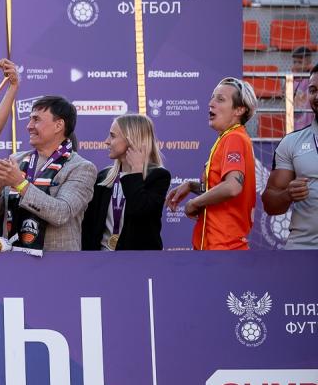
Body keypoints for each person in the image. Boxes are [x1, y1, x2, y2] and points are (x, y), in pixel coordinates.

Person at [0, 95, 96, 254]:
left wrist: (20, 184)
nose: (29, 126)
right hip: (11, 261)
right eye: (30, 119)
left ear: (58, 125)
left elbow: (61, 213)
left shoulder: (81, 167)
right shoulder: (16, 160)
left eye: (36, 119)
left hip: (56, 263)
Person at [167, 78, 257, 251]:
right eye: (212, 98)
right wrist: (191, 186)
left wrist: (194, 203)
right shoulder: (229, 137)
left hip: (224, 247)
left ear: (239, 110)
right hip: (215, 246)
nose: (211, 103)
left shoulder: (234, 137)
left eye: (220, 99)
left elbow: (232, 187)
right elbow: (220, 188)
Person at [81, 114, 171, 251]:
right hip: (101, 260)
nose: (106, 141)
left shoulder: (158, 176)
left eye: (113, 136)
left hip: (138, 260)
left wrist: (135, 172)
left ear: (132, 140)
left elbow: (140, 211)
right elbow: (89, 226)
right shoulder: (104, 177)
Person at [263, 63, 317, 249]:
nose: (317, 96)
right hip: (303, 248)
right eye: (313, 90)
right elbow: (269, 204)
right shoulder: (291, 142)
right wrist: (287, 194)